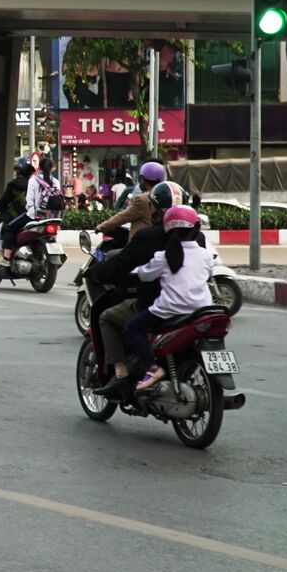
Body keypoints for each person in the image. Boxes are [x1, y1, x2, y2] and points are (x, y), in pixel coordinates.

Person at [92, 200, 213, 399]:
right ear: (196, 227)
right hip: (201, 310)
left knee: (130, 326)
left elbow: (142, 273)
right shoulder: (205, 254)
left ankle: (148, 368)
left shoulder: (162, 255)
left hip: (167, 309)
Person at [0, 157, 35, 266]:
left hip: (19, 216)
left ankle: (4, 256)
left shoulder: (13, 185)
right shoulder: (35, 183)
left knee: (5, 228)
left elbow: (2, 203)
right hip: (37, 216)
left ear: (18, 171)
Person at [96, 161, 167, 238]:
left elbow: (123, 217)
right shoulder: (165, 197)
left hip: (141, 243)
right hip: (161, 241)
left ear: (144, 180)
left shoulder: (143, 199)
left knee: (112, 251)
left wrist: (101, 227)